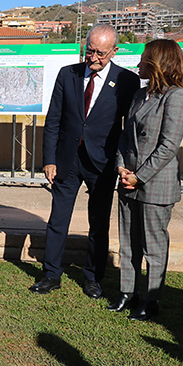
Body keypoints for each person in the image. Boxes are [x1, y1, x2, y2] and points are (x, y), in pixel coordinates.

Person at [30, 24, 140, 298]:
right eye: (89, 51)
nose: (93, 58)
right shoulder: (68, 74)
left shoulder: (127, 81)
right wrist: (49, 159)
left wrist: (124, 162)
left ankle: (93, 277)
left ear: (114, 51)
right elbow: (53, 119)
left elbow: (130, 128)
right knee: (58, 220)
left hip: (103, 163)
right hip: (67, 160)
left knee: (98, 223)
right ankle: (51, 274)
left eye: (101, 54)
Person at [108, 39, 183, 321]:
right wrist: (121, 168)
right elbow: (124, 135)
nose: (138, 64)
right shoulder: (140, 95)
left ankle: (151, 299)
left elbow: (168, 146)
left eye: (143, 59)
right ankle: (127, 292)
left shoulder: (177, 96)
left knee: (153, 246)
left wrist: (139, 177)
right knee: (128, 242)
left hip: (154, 184)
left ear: (158, 63)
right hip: (128, 180)